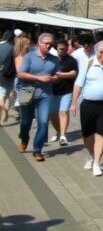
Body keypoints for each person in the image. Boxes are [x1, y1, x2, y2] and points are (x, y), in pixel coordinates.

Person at [70, 40, 103, 176]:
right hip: (88, 104)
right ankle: (91, 154)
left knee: (102, 133)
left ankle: (97, 163)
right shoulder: (89, 64)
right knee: (87, 134)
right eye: (101, 52)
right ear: (96, 52)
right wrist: (73, 103)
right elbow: (78, 84)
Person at [17, 33, 59, 161]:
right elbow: (21, 74)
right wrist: (37, 78)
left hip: (44, 95)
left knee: (44, 123)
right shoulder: (29, 56)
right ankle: (24, 139)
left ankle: (37, 150)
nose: (48, 46)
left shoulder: (54, 59)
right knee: (25, 123)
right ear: (39, 43)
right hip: (27, 92)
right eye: (46, 43)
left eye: (51, 44)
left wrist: (53, 78)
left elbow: (58, 75)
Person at [47, 39, 78, 146]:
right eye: (60, 49)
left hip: (66, 90)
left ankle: (63, 136)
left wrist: (59, 74)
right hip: (53, 91)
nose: (62, 51)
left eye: (64, 49)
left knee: (63, 112)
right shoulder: (52, 59)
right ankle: (58, 131)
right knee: (53, 114)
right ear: (56, 49)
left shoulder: (71, 60)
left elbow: (73, 73)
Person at [0, 29, 17, 125]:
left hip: (0, 73)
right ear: (13, 38)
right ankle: (5, 110)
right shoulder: (13, 49)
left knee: (1, 94)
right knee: (7, 94)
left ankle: (3, 112)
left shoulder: (0, 46)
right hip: (9, 75)